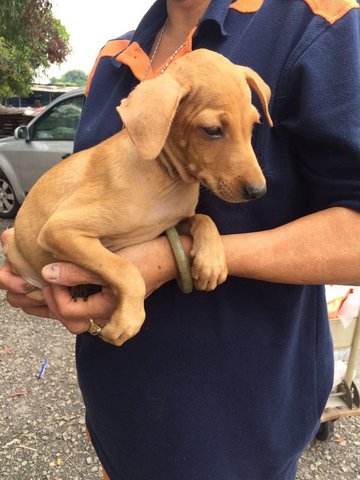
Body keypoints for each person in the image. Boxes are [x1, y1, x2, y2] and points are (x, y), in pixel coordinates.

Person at [1, 0, 360, 478]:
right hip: (120, 419)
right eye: (212, 130)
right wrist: (48, 281)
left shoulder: (315, 24)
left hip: (240, 435)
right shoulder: (112, 60)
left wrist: (182, 256)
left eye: (249, 129)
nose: (254, 174)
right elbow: (80, 217)